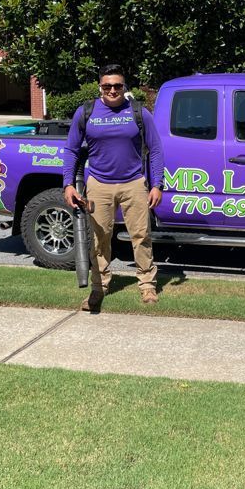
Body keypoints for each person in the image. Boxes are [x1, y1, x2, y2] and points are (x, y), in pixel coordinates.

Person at [63, 64, 165, 312]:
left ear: (124, 86)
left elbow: (156, 149)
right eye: (107, 86)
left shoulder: (139, 112)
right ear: (100, 86)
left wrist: (157, 184)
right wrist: (68, 184)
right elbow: (71, 149)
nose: (112, 90)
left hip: (134, 183)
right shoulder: (86, 112)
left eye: (117, 85)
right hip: (98, 184)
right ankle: (99, 287)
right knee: (99, 239)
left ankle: (147, 284)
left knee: (141, 236)